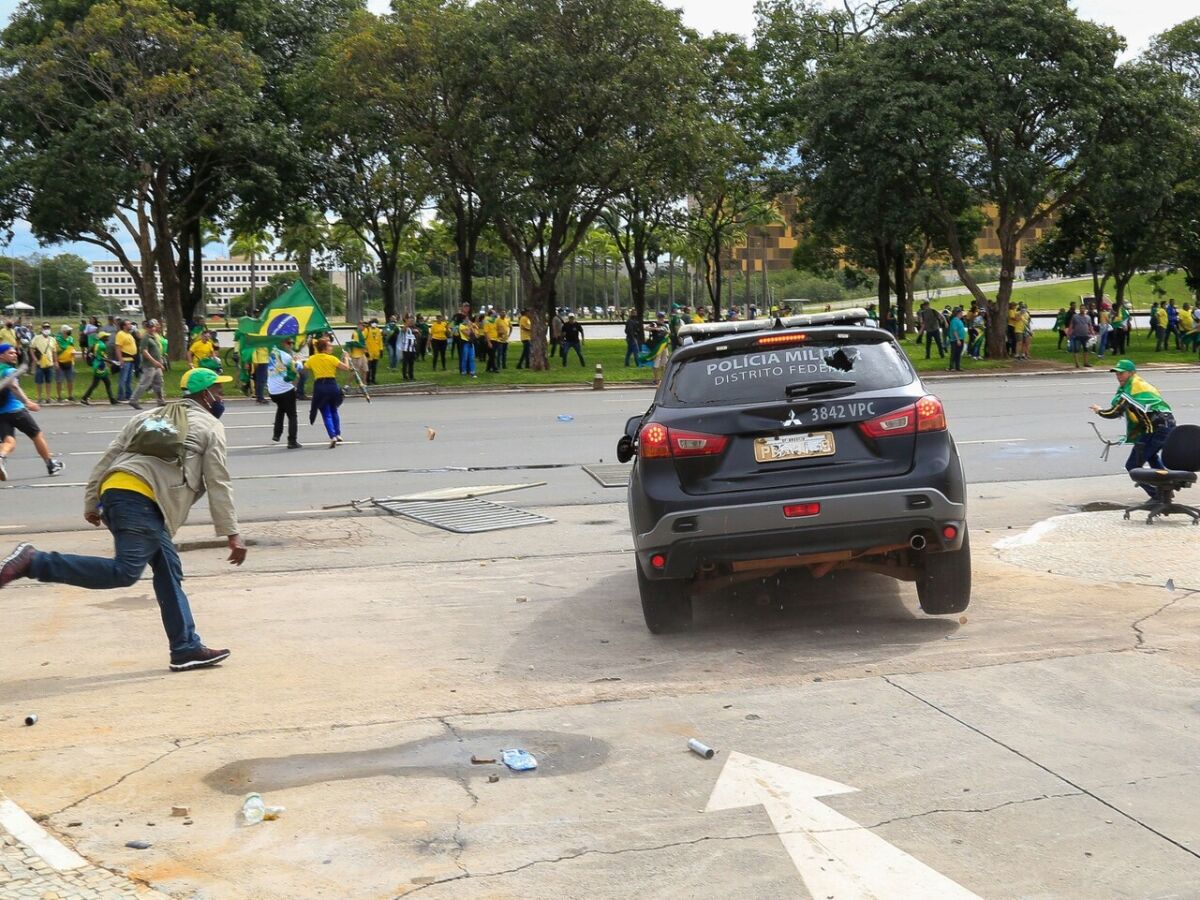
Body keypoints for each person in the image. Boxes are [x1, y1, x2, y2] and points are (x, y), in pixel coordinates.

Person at [0, 367, 244, 671]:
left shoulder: (146, 417)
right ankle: (34, 561)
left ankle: (185, 648)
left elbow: (110, 456)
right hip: (141, 501)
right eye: (218, 391)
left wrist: (92, 499)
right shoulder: (209, 425)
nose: (221, 397)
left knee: (168, 569)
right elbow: (219, 481)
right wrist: (232, 533)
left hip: (118, 490)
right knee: (125, 572)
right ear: (205, 395)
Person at [1091, 360, 1175, 498]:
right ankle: (1166, 489)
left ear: (1132, 373)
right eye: (1117, 374)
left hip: (1157, 429)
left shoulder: (1131, 390)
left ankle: (1159, 496)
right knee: (1152, 456)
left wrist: (1098, 411)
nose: (1118, 376)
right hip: (1165, 426)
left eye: (1122, 373)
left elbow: (1114, 412)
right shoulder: (1141, 385)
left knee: (1132, 466)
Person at [0, 343, 65, 481]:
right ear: (1, 355)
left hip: (1, 413)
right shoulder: (8, 370)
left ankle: (1, 456)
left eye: (14, 352)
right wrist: (27, 402)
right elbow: (13, 386)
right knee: (36, 435)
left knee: (9, 440)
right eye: (10, 353)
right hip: (15, 410)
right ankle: (50, 465)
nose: (15, 354)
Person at [305, 338, 351, 448]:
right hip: (332, 385)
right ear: (325, 348)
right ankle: (338, 433)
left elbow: (304, 368)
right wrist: (346, 358)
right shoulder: (332, 358)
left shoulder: (312, 359)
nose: (332, 347)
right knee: (334, 410)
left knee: (326, 413)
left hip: (320, 386)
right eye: (330, 346)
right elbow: (346, 368)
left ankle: (332, 436)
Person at [267, 337, 302, 449]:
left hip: (272, 390)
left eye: (291, 343)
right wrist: (298, 361)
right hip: (285, 389)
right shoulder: (286, 357)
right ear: (282, 343)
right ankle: (292, 441)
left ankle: (277, 434)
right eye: (288, 343)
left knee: (281, 409)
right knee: (292, 415)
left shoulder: (270, 353)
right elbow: (297, 368)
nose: (290, 345)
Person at [129, 319, 166, 410]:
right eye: (150, 327)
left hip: (156, 365)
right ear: (146, 328)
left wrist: (160, 361)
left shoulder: (154, 337)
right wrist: (154, 361)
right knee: (145, 383)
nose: (152, 329)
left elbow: (157, 351)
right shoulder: (145, 338)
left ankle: (160, 401)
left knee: (159, 382)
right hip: (149, 365)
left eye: (153, 327)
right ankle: (133, 400)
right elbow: (144, 351)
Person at [79, 331, 117, 406]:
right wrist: (111, 362)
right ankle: (84, 398)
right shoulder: (101, 345)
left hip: (99, 365)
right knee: (96, 384)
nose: (108, 338)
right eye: (106, 336)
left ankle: (112, 399)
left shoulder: (97, 343)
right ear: (102, 338)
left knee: (106, 382)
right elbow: (101, 357)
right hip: (99, 366)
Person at [29, 322, 57, 403]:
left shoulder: (52, 339)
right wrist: (34, 359)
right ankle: (39, 397)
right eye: (45, 327)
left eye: (48, 327)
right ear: (42, 329)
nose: (46, 329)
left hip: (49, 363)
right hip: (40, 364)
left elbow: (54, 351)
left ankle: (48, 397)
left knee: (49, 381)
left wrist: (56, 362)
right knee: (39, 381)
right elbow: (31, 348)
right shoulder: (37, 338)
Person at [113, 319, 138, 401]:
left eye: (130, 324)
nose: (130, 325)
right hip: (125, 359)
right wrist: (120, 359)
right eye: (128, 324)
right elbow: (118, 348)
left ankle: (129, 394)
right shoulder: (120, 334)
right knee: (123, 378)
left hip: (131, 359)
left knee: (129, 379)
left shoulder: (129, 335)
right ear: (123, 326)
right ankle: (121, 395)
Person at [363, 318, 384, 385]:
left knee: (374, 367)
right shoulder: (367, 330)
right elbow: (363, 341)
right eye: (374, 322)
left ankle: (373, 379)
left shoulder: (378, 330)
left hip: (376, 352)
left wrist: (381, 349)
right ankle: (368, 380)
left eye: (376, 323)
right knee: (369, 367)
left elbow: (380, 341)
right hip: (369, 352)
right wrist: (365, 351)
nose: (375, 324)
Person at [400, 314, 418, 381]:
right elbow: (403, 330)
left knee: (411, 364)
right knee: (405, 364)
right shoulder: (406, 329)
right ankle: (404, 376)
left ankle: (411, 376)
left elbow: (417, 337)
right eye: (410, 321)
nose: (411, 323)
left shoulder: (414, 329)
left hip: (412, 349)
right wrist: (407, 323)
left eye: (412, 321)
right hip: (406, 349)